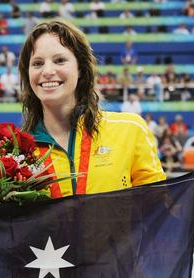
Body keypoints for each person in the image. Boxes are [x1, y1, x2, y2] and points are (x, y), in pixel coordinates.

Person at [17, 20, 166, 198]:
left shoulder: (130, 130)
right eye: (37, 63)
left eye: (59, 60)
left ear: (80, 68)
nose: (48, 71)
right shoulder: (17, 153)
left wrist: (193, 208)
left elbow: (159, 210)